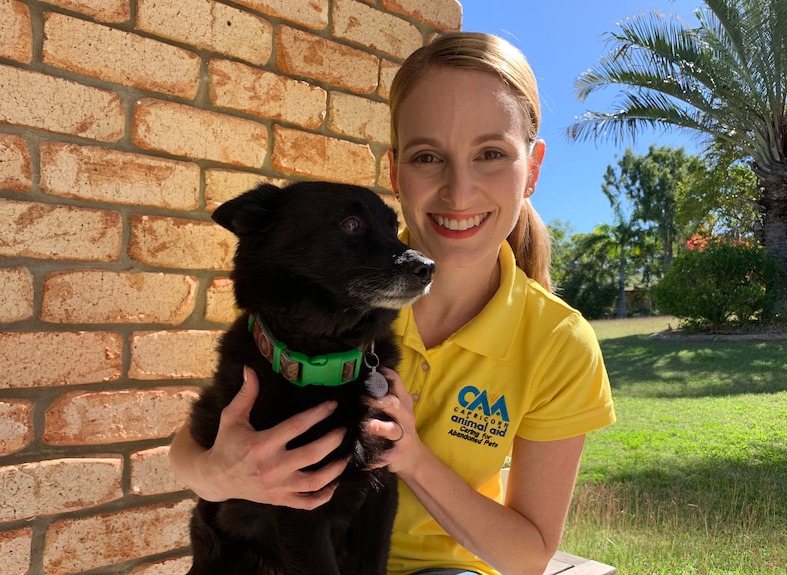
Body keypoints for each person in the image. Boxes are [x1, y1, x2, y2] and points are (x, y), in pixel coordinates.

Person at [170, 31, 616, 575]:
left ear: (534, 169)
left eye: (491, 154)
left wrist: (410, 459)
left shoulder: (557, 342)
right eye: (429, 156)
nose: (460, 191)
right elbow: (192, 448)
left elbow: (528, 556)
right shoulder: (328, 283)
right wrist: (220, 475)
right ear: (395, 169)